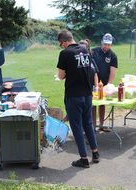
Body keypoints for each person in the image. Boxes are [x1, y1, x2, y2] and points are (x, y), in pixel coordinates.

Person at [57, 29, 99, 168]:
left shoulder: (65, 53)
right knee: (88, 124)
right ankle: (95, 153)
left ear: (63, 42)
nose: (61, 46)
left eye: (60, 44)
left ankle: (84, 158)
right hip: (87, 94)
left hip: (74, 95)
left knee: (76, 127)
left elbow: (61, 76)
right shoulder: (86, 50)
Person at [91, 33, 118, 132]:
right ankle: (92, 125)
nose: (106, 46)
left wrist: (109, 84)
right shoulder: (93, 51)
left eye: (109, 45)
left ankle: (101, 124)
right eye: (105, 44)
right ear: (101, 42)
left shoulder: (113, 56)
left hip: (104, 84)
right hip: (92, 82)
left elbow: (113, 71)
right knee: (92, 103)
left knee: (102, 103)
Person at [79, 39, 99, 130]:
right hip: (81, 91)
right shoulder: (77, 60)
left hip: (90, 90)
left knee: (92, 109)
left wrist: (97, 87)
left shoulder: (91, 60)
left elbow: (95, 74)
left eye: (84, 48)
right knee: (82, 111)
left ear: (87, 48)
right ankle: (83, 130)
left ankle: (92, 127)